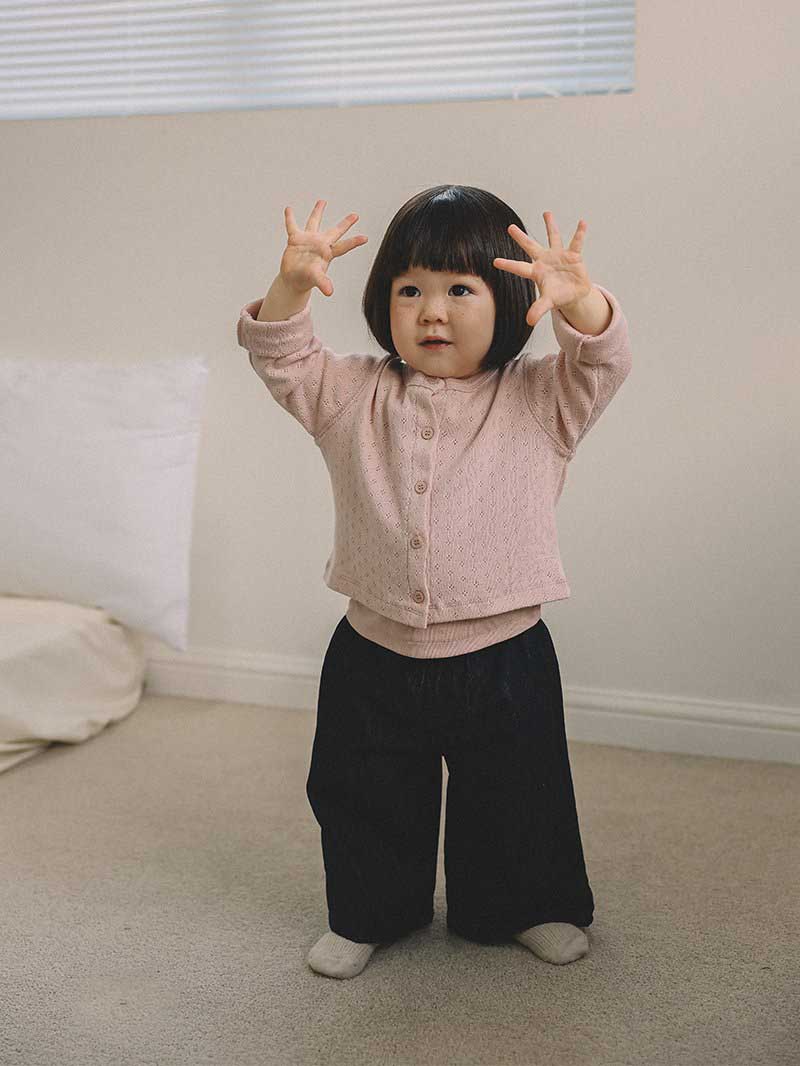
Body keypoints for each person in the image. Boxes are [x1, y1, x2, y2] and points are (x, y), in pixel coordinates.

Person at [236, 187, 632, 979]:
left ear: (509, 300)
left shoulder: (541, 398)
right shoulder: (350, 392)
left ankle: (521, 904)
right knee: (363, 792)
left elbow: (603, 358)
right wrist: (289, 285)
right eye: (410, 289)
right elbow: (281, 355)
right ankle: (369, 910)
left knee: (517, 792)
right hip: (373, 650)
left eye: (459, 289)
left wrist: (580, 301)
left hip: (505, 652)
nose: (432, 312)